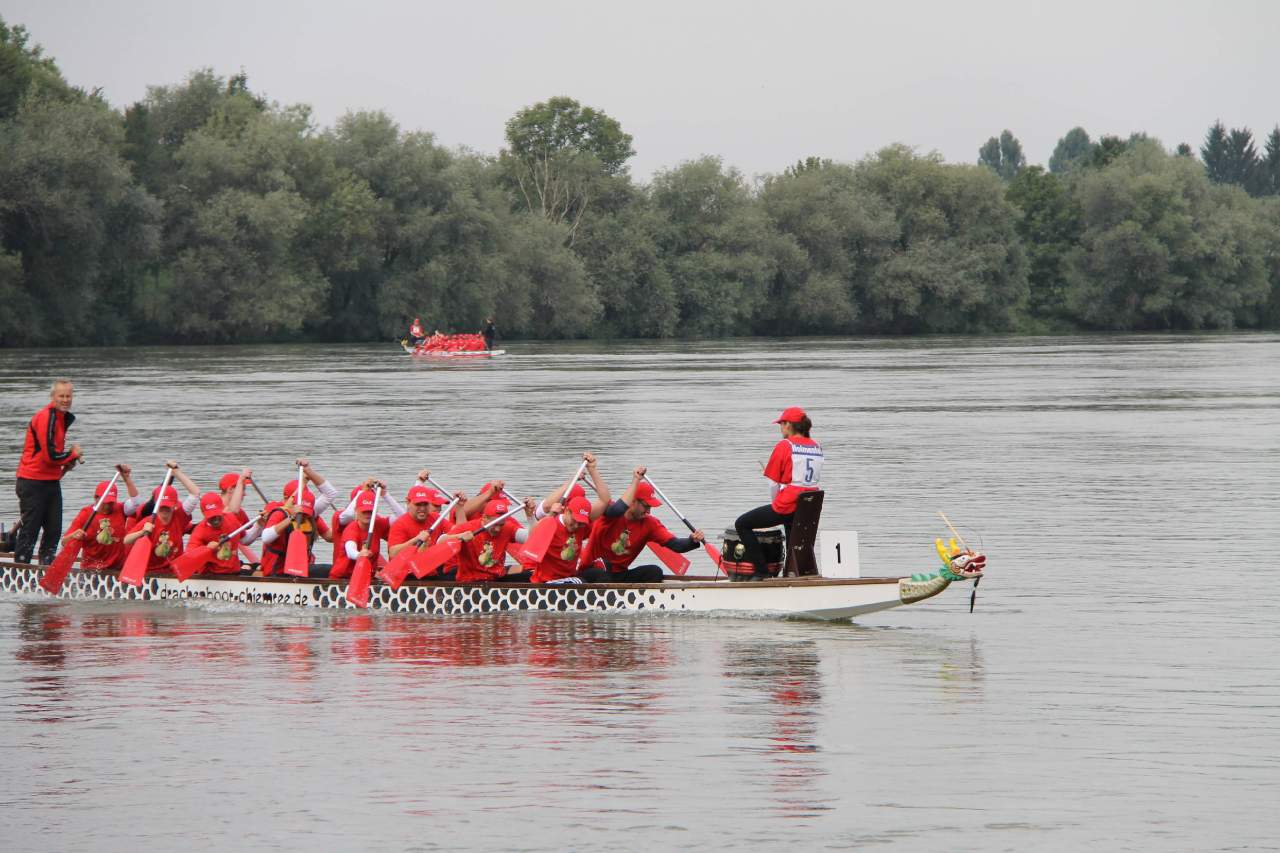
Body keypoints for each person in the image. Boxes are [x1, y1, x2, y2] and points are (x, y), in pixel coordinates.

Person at [734, 407, 823, 581]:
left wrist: (776, 503)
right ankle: (792, 574)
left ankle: (761, 572)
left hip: (788, 504)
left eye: (782, 423)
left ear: (790, 425)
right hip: (809, 506)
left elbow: (773, 483)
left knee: (742, 524)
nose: (780, 427)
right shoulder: (817, 446)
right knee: (792, 533)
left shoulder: (785, 445)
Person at [579, 466, 705, 583]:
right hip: (592, 571)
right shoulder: (610, 514)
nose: (648, 511)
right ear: (632, 501)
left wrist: (692, 540)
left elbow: (676, 545)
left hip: (620, 575)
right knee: (604, 573)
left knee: (655, 572)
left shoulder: (650, 524)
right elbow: (618, 508)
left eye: (650, 507)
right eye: (645, 506)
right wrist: (635, 480)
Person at [14, 379, 83, 565]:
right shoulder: (46, 417)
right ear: (53, 397)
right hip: (31, 481)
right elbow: (50, 456)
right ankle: (20, 569)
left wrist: (67, 462)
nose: (65, 399)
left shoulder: (61, 418)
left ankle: (46, 567)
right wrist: (71, 455)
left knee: (53, 530)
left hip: (50, 481)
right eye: (61, 396)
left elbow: (54, 457)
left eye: (69, 396)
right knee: (31, 529)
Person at [526, 454, 610, 584]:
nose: (577, 526)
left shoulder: (582, 526)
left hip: (568, 580)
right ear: (567, 510)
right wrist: (549, 515)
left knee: (600, 573)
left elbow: (605, 500)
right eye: (575, 520)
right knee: (580, 581)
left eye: (581, 523)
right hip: (545, 584)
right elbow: (532, 537)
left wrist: (592, 469)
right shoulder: (551, 523)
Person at [436, 495, 537, 582]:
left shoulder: (507, 528)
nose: (497, 529)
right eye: (494, 524)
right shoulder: (468, 527)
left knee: (533, 575)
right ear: (484, 518)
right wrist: (459, 537)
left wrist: (530, 516)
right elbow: (440, 541)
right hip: (470, 581)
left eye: (501, 525)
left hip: (495, 578)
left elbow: (532, 539)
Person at [59, 467, 142, 570]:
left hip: (117, 569)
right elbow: (64, 542)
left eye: (111, 502)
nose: (108, 506)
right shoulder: (85, 514)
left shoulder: (121, 509)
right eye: (105, 502)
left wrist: (127, 478)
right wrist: (74, 536)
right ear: (96, 498)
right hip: (91, 570)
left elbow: (136, 503)